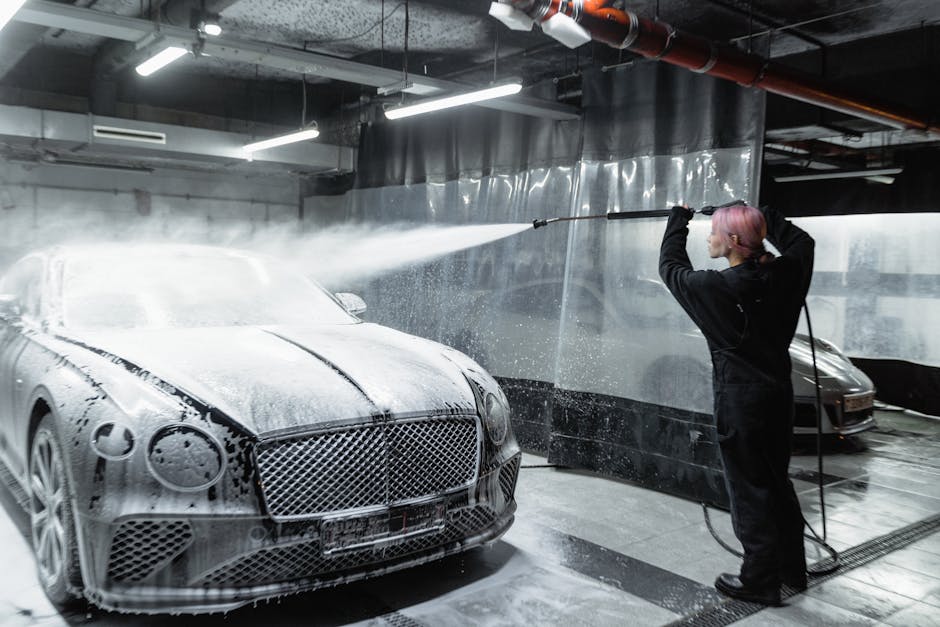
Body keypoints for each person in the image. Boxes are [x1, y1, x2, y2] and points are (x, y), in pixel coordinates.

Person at [658, 202, 814, 605]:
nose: (707, 238)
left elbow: (670, 268)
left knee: (750, 490)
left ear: (731, 241)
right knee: (776, 482)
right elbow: (801, 241)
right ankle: (792, 569)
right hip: (779, 397)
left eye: (712, 231)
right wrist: (761, 213)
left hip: (741, 402)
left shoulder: (716, 288)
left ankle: (759, 579)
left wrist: (678, 221)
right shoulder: (787, 273)